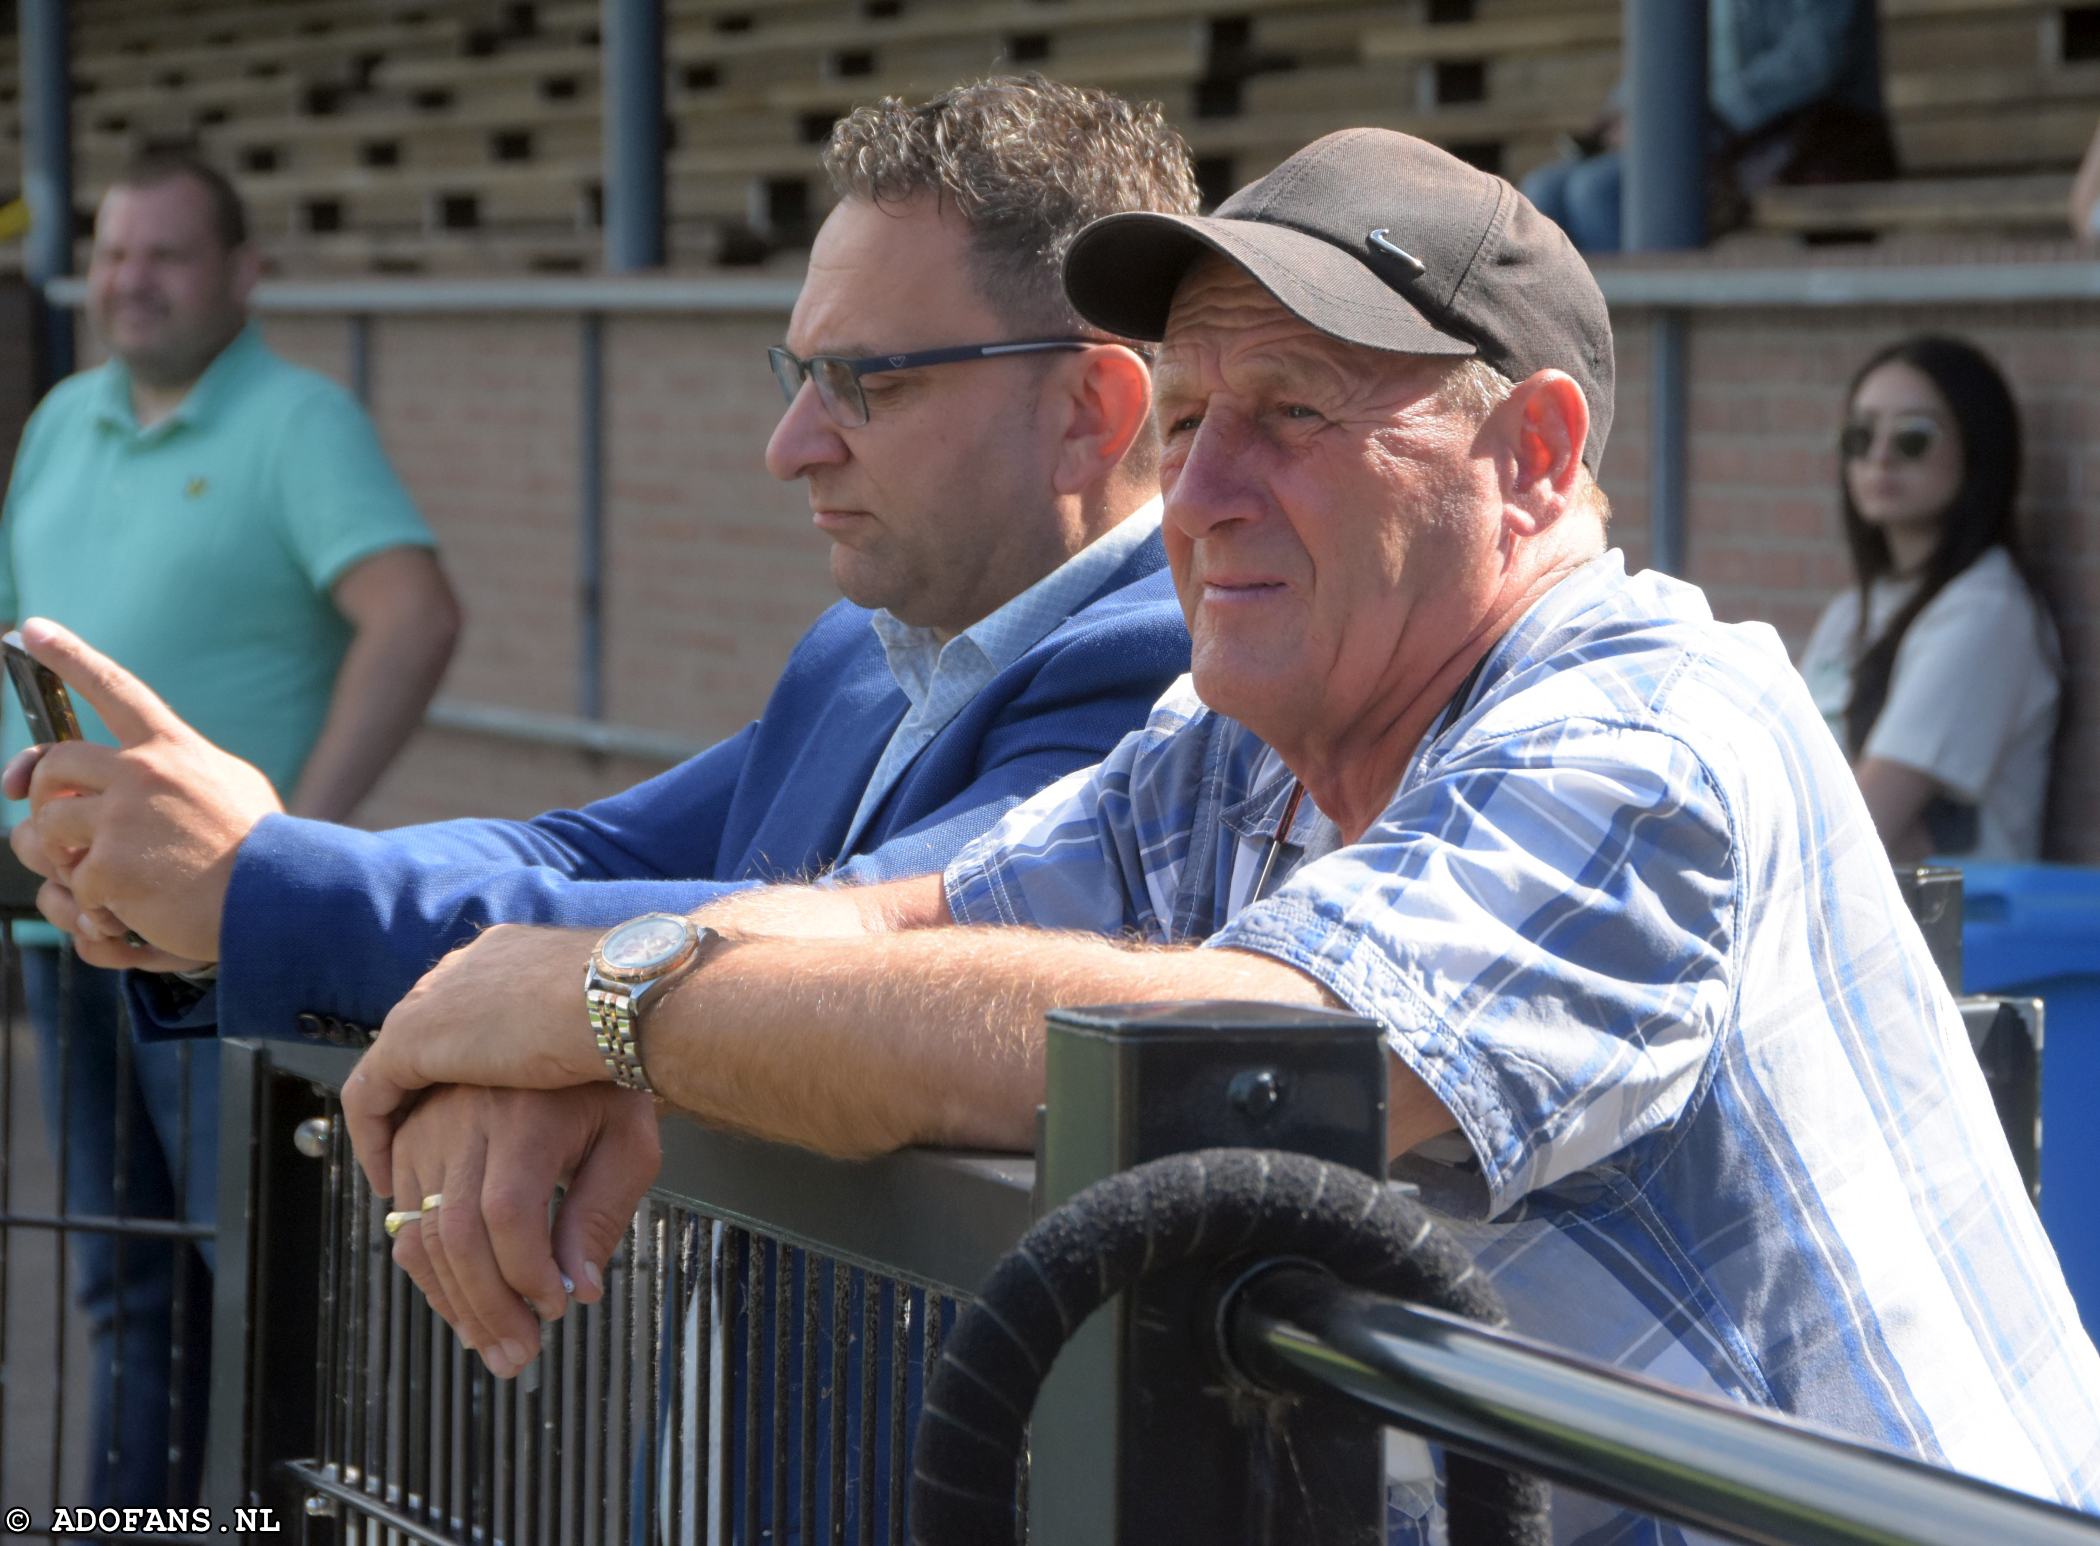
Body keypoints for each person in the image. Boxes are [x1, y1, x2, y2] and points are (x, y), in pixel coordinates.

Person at [321, 127, 2100, 1540]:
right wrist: (582, 1021)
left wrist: (599, 1006)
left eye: (1298, 415)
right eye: (1186, 421)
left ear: (1536, 458)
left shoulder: (1644, 732)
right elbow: (891, 928)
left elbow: (1245, 1059)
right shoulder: (1241, 734)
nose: (1206, 494)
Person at [8, 69, 1195, 1282]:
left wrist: (269, 887)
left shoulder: (1163, 679)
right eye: (797, 377)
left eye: (868, 383)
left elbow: (846, 967)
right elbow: (595, 861)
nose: (789, 450)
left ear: (1087, 410)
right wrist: (232, 883)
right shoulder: (870, 641)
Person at [0, 145, 460, 1511]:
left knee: (260, 1287)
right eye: (116, 251)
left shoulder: (297, 423)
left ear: (243, 275)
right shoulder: (62, 417)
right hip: (63, 925)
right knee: (122, 1283)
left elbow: (415, 614)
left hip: (212, 955)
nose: (132, 280)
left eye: (169, 254)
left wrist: (281, 854)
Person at [1794, 336, 2060, 862]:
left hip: (1948, 937)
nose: (1882, 456)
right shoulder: (1852, 613)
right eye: (1861, 436)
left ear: (1976, 449)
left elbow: (1859, 827)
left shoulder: (1986, 610)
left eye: (1915, 436)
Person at [1523, 0, 1895, 252]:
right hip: (1703, 133)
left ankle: (1632, 340)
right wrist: (1624, 113)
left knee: (1596, 191)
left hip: (1791, 131)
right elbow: (1663, 52)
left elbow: (1816, 58)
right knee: (1544, 189)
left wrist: (1710, 114)